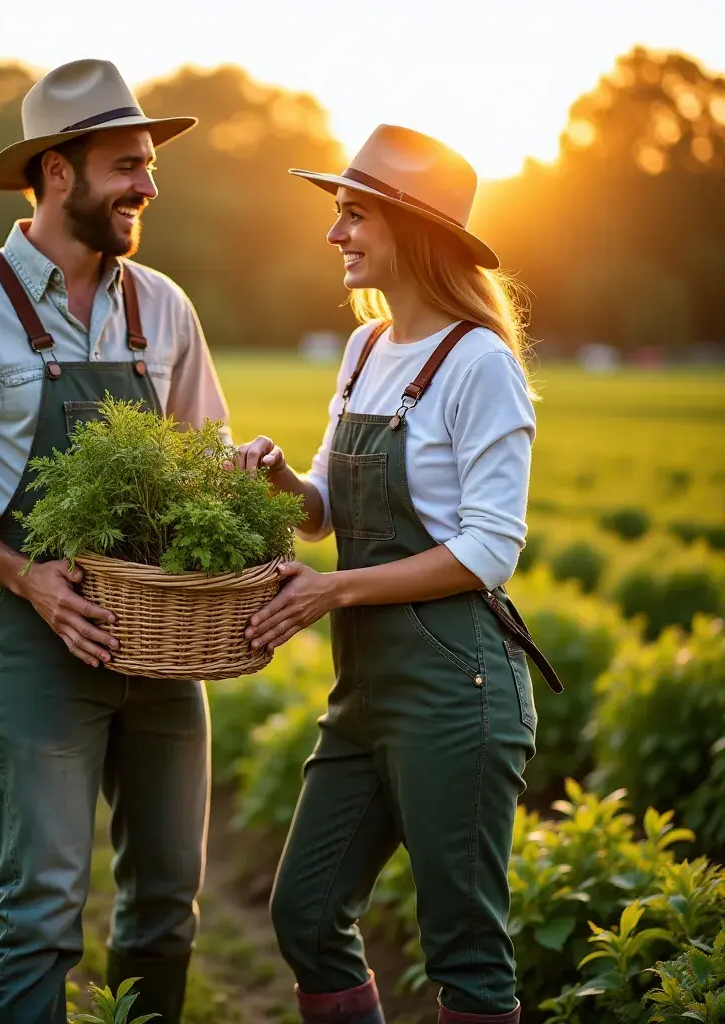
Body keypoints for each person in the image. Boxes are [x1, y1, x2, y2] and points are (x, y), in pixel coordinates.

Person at [0, 59, 230, 1024]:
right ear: (58, 171)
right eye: (127, 166)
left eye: (150, 164)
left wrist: (245, 513)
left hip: (161, 648)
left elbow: (207, 461)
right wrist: (26, 577)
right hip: (35, 647)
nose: (147, 185)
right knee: (39, 912)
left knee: (166, 906)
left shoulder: (164, 306)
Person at [236, 125, 562, 1024]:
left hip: (458, 689)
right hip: (366, 687)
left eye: (353, 215)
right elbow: (324, 510)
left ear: (412, 232)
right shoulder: (365, 350)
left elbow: (489, 550)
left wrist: (332, 589)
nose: (334, 233)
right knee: (306, 914)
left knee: (464, 950)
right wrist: (280, 481)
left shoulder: (480, 364)